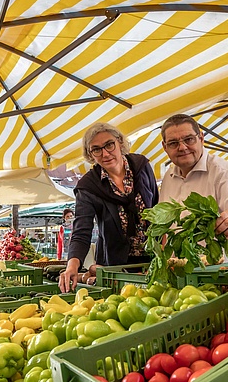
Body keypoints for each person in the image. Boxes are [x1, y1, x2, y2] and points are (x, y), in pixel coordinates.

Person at [60, 123, 159, 292]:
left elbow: (157, 208)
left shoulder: (141, 166)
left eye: (109, 145)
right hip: (115, 266)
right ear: (90, 155)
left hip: (152, 259)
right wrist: (72, 265)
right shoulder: (88, 186)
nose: (105, 153)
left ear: (119, 142)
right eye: (96, 149)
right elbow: (82, 231)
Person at [158, 114, 228, 240]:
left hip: (224, 259)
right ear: (165, 147)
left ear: (201, 138)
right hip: (182, 259)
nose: (182, 147)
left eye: (189, 139)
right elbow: (167, 227)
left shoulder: (222, 171)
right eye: (173, 143)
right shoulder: (168, 177)